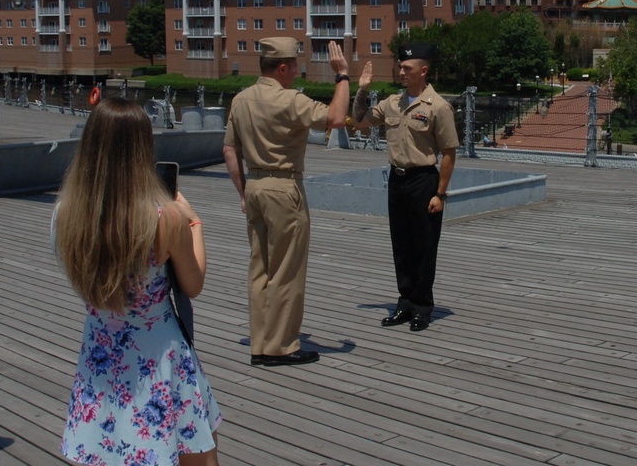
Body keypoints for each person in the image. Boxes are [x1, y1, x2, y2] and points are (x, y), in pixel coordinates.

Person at [55, 98, 221, 466]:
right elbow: (193, 283)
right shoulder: (166, 218)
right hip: (158, 359)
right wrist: (194, 223)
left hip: (99, 354)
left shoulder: (65, 215)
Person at [222, 38, 350, 366]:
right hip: (284, 188)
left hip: (254, 188)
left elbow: (229, 150)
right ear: (282, 67)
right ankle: (282, 346)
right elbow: (336, 118)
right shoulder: (290, 100)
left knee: (260, 269)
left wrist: (242, 193)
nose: (297, 71)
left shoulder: (241, 100)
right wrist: (343, 77)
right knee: (286, 271)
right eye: (294, 66)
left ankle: (261, 344)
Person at [351, 42, 459, 332]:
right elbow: (360, 121)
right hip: (397, 181)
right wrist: (362, 89)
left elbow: (449, 153)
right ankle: (405, 303)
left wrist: (440, 193)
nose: (401, 71)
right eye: (400, 67)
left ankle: (423, 307)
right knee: (401, 246)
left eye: (406, 68)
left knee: (424, 247)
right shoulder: (391, 103)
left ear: (423, 71)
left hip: (424, 180)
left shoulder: (438, 107)